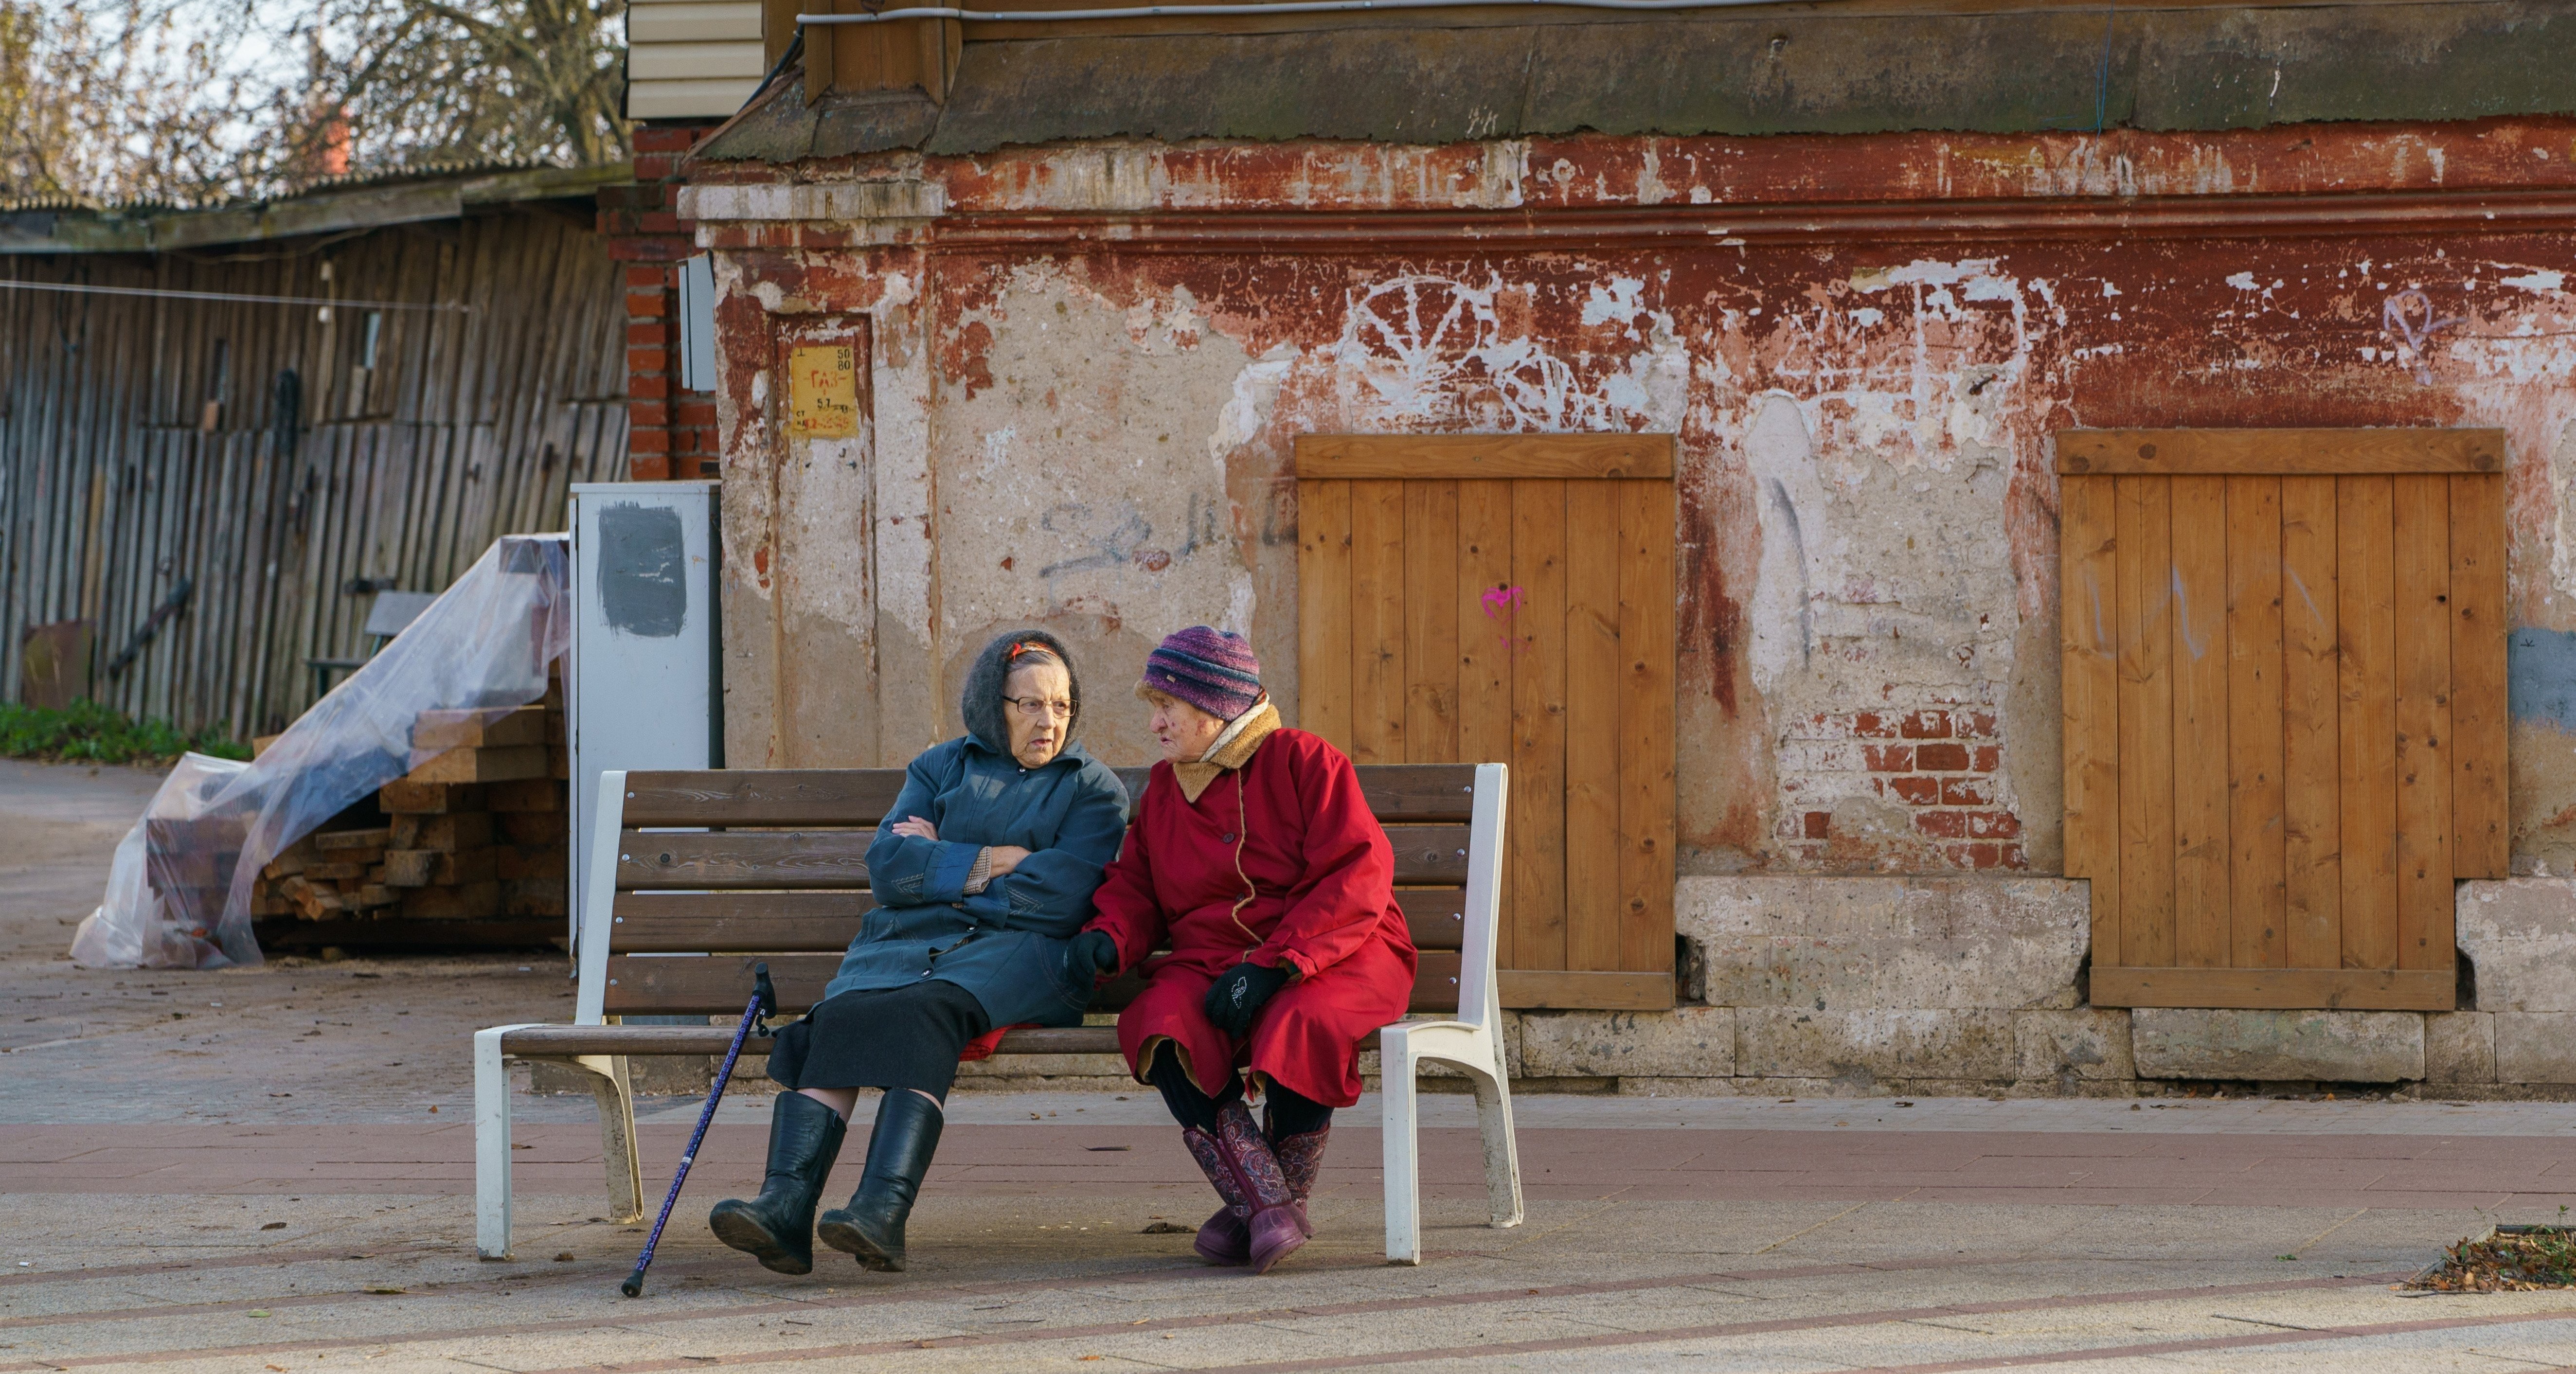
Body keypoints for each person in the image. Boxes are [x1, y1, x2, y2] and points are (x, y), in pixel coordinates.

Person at [709, 630, 1128, 1275]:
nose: (1050, 722)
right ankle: (785, 1207)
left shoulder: (1091, 789)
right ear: (995, 705)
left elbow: (1065, 895)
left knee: (930, 1008)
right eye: (1030, 705)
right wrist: (995, 861)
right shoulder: (939, 767)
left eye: (1062, 706)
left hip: (1024, 954)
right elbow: (889, 867)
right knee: (840, 1012)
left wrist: (947, 871)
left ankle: (880, 1211)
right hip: (909, 944)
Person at [1062, 626, 1416, 1274]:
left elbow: (1356, 874)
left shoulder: (1304, 760)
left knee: (1300, 1020)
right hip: (1214, 959)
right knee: (1160, 1021)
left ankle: (1262, 1206)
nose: (1155, 721)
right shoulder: (1167, 789)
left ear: (1213, 705)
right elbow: (1136, 884)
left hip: (1337, 947)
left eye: (1167, 705)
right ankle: (1268, 1207)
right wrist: (1109, 937)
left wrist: (1278, 963)